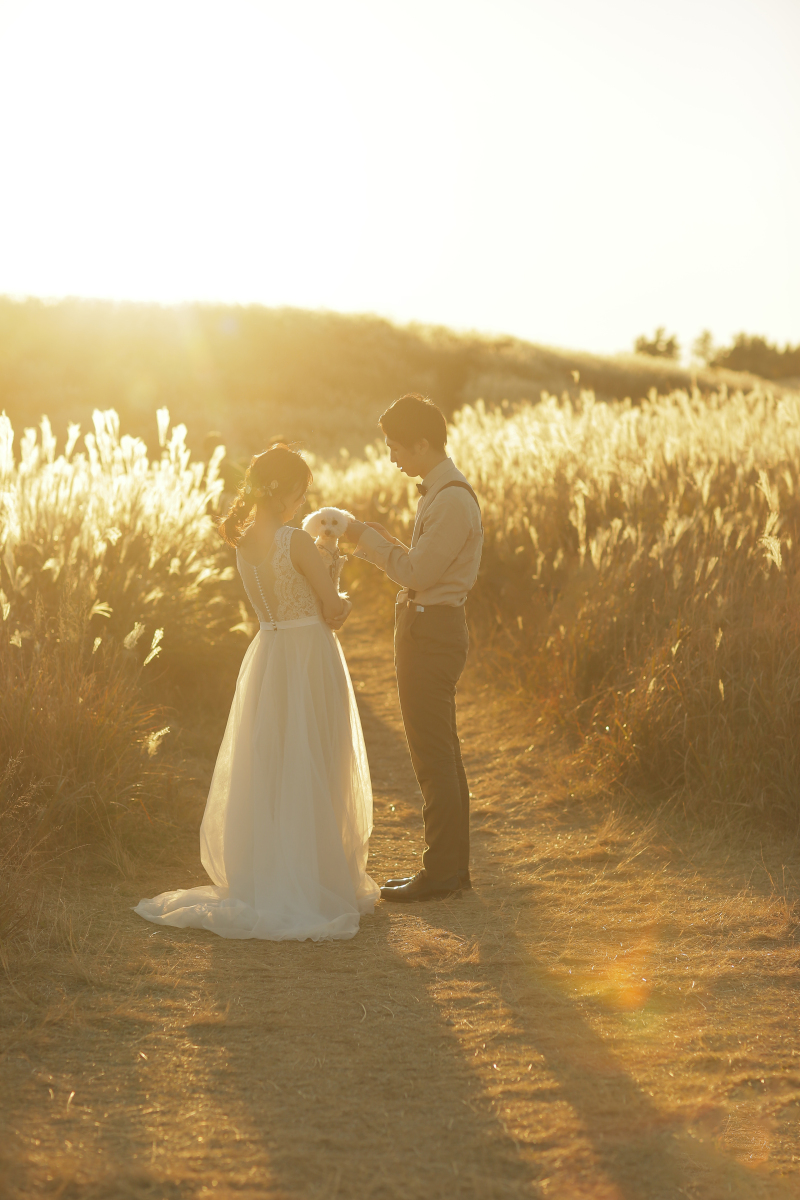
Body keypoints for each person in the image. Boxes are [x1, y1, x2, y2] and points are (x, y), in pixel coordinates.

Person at [134, 443, 379, 940]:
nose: (302, 501)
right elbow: (332, 611)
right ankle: (312, 879)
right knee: (318, 758)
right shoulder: (296, 540)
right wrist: (338, 584)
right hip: (308, 656)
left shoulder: (244, 544)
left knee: (271, 763)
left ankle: (267, 873)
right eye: (301, 491)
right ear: (287, 490)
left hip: (268, 655)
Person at [342, 394, 483, 902]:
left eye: (396, 447)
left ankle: (442, 873)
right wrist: (382, 540)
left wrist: (365, 541)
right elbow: (423, 562)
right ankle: (450, 869)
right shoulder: (440, 495)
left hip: (431, 632)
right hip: (427, 627)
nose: (392, 456)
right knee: (440, 752)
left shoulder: (450, 500)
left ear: (423, 443)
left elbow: (417, 573)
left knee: (433, 756)